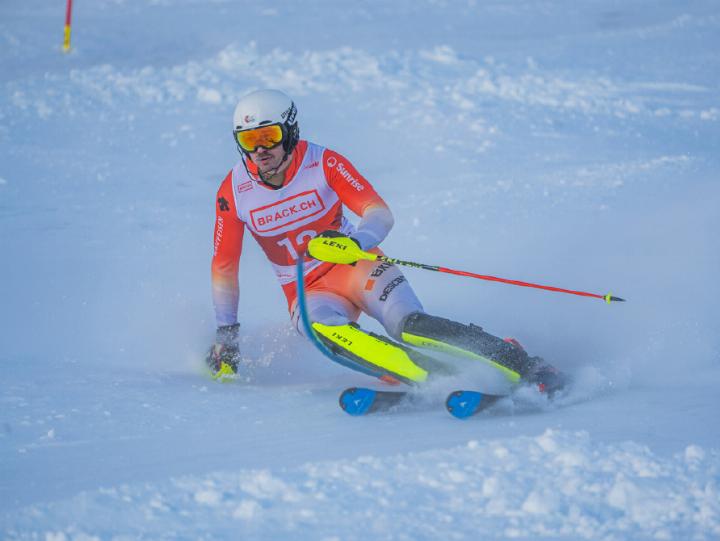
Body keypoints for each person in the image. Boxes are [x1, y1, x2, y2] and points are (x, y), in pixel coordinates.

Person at [207, 88, 565, 393]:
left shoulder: (323, 162)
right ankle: (441, 381)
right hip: (309, 291)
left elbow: (379, 213)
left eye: (268, 136)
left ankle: (524, 363)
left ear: (290, 130)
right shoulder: (234, 192)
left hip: (356, 265)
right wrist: (227, 334)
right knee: (328, 335)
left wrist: (357, 242)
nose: (260, 150)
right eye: (249, 141)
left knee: (411, 327)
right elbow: (224, 265)